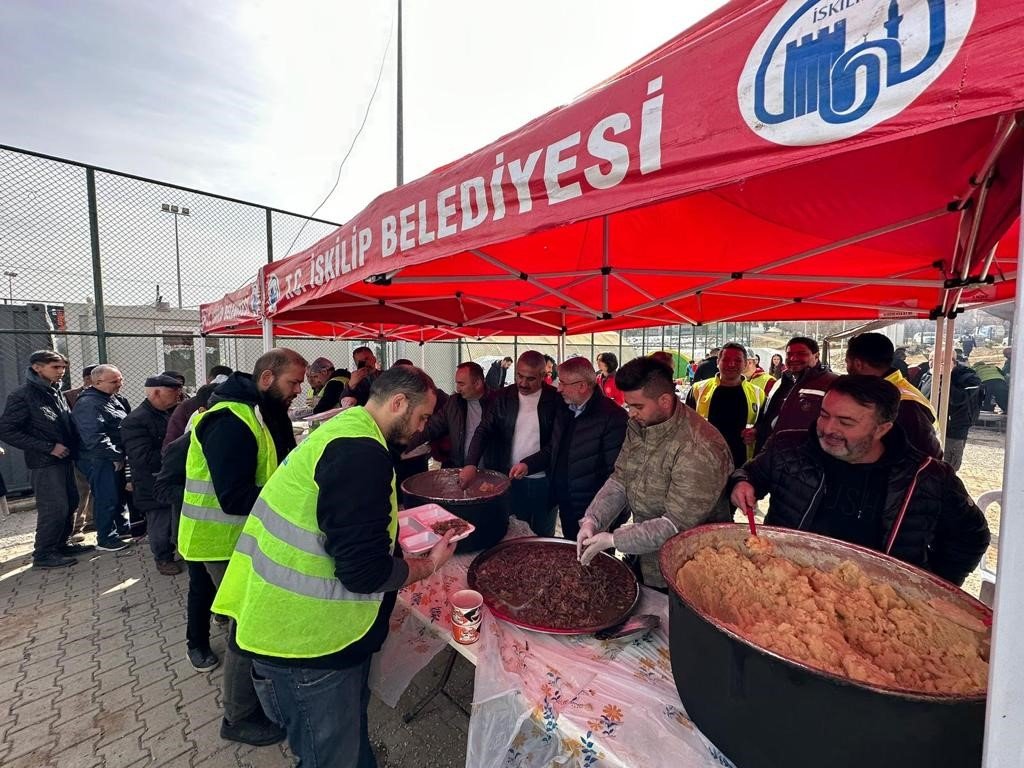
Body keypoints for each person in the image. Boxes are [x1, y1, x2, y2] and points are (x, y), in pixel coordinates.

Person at [211, 366, 457, 768]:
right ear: (398, 403)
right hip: (307, 645)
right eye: (422, 417)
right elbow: (363, 573)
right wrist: (427, 564)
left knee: (342, 742)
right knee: (328, 755)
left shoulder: (349, 429)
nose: (422, 428)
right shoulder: (360, 452)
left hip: (287, 626)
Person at [730, 375, 990, 586]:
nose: (829, 429)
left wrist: (931, 586)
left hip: (876, 604)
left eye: (846, 422)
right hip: (788, 585)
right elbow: (752, 474)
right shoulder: (788, 447)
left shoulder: (928, 477)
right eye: (824, 415)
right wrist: (742, 482)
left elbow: (971, 536)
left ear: (882, 429)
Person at [179, 348, 307, 747]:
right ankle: (238, 715)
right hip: (218, 540)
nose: (298, 392)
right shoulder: (229, 420)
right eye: (293, 383)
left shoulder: (257, 410)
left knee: (243, 620)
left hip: (236, 538)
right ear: (267, 378)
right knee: (247, 626)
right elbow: (233, 497)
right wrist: (292, 495)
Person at [576, 357, 733, 589]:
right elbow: (621, 479)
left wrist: (614, 540)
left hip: (686, 569)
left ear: (665, 400)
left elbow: (676, 525)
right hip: (644, 555)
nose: (630, 413)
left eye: (637, 406)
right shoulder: (641, 425)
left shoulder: (700, 446)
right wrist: (593, 519)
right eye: (628, 405)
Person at [515, 357, 628, 541]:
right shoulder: (566, 408)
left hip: (594, 512)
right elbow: (555, 448)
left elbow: (617, 476)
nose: (558, 388)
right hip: (567, 504)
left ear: (582, 386)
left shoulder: (613, 418)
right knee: (571, 551)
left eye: (563, 383)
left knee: (594, 562)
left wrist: (607, 519)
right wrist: (528, 464)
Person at [154, 382, 222, 673]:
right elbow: (161, 488)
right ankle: (197, 644)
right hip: (197, 533)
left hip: (226, 533)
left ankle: (222, 615)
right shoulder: (184, 444)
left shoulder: (233, 438)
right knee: (201, 589)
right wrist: (199, 497)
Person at [0, 350, 90, 568]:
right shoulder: (23, 395)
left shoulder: (54, 391)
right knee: (54, 507)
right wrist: (48, 447)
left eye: (62, 368)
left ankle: (61, 544)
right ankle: (43, 554)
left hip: (65, 458)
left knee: (70, 502)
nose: (61, 372)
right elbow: (7, 430)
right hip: (45, 462)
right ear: (37, 367)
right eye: (55, 367)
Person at [460, 351, 565, 536]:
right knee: (511, 533)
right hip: (508, 479)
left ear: (544, 375)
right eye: (519, 376)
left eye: (530, 379)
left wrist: (529, 464)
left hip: (545, 481)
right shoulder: (502, 397)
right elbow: (483, 430)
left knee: (543, 534)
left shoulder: (556, 400)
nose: (523, 383)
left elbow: (557, 444)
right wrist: (471, 463)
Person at [121, 374, 184, 575]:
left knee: (174, 519)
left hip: (172, 477)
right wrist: (177, 453)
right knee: (160, 523)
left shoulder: (172, 412)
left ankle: (177, 551)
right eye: (173, 392)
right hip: (153, 481)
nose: (178, 395)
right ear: (156, 392)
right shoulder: (135, 420)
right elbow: (141, 457)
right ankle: (163, 558)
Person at [844, 332, 941, 458]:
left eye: (847, 362)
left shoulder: (903, 404)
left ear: (858, 364)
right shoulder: (884, 392)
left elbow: (926, 459)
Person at [72, 364, 132, 552]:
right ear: (97, 382)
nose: (120, 384)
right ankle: (106, 538)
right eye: (115, 381)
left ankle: (121, 527)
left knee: (117, 494)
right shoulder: (88, 404)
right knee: (106, 497)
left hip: (112, 456)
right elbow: (94, 436)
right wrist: (115, 454)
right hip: (98, 458)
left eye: (121, 379)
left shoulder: (112, 398)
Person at [686, 343, 765, 469]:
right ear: (718, 362)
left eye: (737, 360)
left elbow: (764, 425)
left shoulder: (757, 393)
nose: (731, 364)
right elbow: (685, 424)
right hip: (704, 463)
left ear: (745, 364)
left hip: (742, 464)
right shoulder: (698, 389)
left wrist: (756, 432)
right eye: (726, 359)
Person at [754, 336, 838, 453]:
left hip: (807, 461)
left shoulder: (832, 384)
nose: (793, 358)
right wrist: (758, 430)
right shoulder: (780, 382)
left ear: (816, 356)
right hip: (773, 456)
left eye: (801, 354)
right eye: (789, 354)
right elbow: (769, 415)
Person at [407, 362, 496, 468]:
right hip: (459, 468)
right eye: (457, 383)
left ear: (477, 383)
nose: (457, 388)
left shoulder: (498, 403)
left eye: (461, 384)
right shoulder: (454, 403)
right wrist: (404, 446)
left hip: (490, 470)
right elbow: (430, 428)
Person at [920, 353, 981, 471]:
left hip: (953, 432)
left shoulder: (968, 377)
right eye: (931, 359)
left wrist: (943, 378)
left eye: (940, 361)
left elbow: (957, 399)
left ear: (953, 361)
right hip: (927, 430)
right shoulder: (926, 375)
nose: (934, 363)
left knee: (947, 469)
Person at [164, 366, 233, 449]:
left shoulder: (187, 406)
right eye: (174, 387)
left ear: (208, 380)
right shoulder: (239, 405)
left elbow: (172, 443)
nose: (179, 391)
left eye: (180, 386)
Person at [64, 365, 97, 539]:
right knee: (81, 489)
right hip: (78, 450)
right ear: (87, 378)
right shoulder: (69, 396)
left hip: (97, 451)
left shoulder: (108, 394)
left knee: (94, 488)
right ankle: (76, 528)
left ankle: (92, 521)